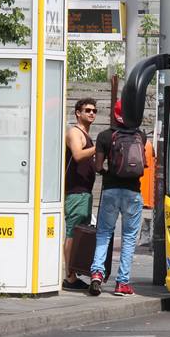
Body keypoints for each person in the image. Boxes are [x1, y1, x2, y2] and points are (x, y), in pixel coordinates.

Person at [89, 100, 147, 297]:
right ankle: (122, 284)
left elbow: (97, 167)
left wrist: (107, 172)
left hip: (111, 190)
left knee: (104, 233)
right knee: (130, 238)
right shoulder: (141, 135)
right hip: (133, 193)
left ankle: (97, 273)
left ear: (114, 115)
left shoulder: (104, 136)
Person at [63, 98, 97, 290]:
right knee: (72, 234)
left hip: (84, 192)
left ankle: (72, 273)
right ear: (78, 112)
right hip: (76, 193)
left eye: (94, 110)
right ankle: (70, 277)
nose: (91, 113)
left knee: (77, 234)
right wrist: (98, 148)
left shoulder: (85, 134)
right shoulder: (75, 133)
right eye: (87, 110)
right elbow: (77, 154)